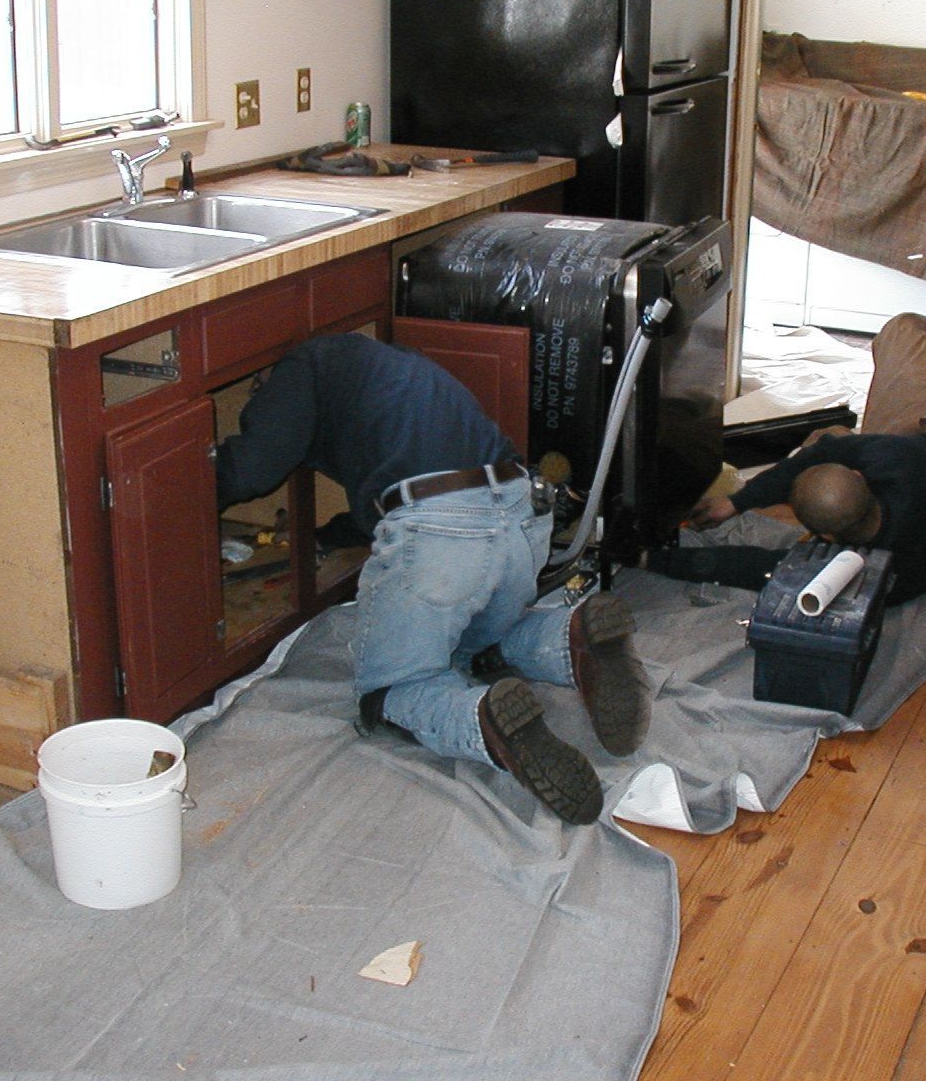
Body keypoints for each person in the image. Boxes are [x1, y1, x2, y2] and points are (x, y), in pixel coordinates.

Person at [215, 334, 652, 825]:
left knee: (391, 687)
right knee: (468, 642)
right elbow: (387, 491)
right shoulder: (389, 364)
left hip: (443, 531)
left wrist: (183, 500)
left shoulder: (300, 364)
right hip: (519, 514)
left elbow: (252, 466)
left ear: (265, 382)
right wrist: (327, 535)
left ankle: (484, 722)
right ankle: (569, 637)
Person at [646, 313, 926, 605]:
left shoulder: (867, 574)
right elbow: (830, 451)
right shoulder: (895, 459)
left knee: (827, 438)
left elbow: (753, 567)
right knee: (907, 327)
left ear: (824, 537)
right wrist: (739, 502)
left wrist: (652, 557)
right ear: (860, 476)